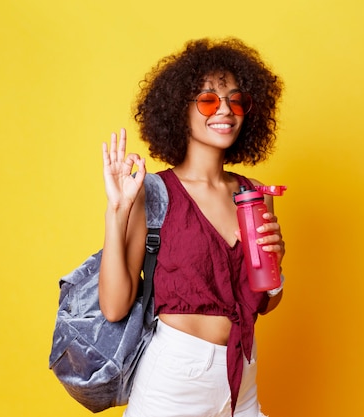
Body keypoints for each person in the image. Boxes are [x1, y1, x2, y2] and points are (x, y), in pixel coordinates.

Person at [99, 38, 285, 417]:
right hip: (176, 381)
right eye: (208, 100)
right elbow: (114, 306)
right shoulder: (154, 193)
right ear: (178, 110)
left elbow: (265, 303)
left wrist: (278, 264)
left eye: (236, 100)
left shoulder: (254, 194)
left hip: (243, 376)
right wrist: (117, 210)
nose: (226, 111)